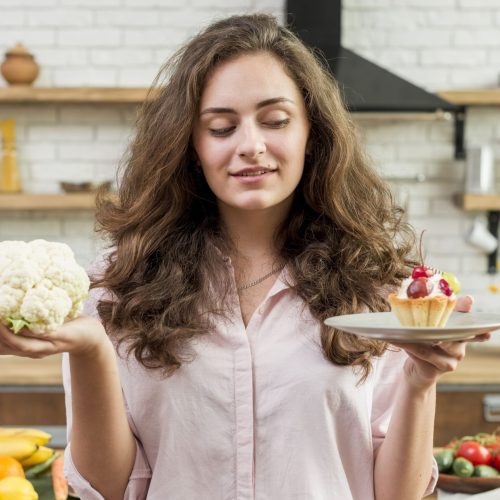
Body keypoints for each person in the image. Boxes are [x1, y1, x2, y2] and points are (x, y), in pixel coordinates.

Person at [0, 14, 490, 500]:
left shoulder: (378, 293)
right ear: (191, 146)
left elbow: (395, 495)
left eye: (275, 121)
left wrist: (420, 379)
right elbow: (106, 487)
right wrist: (90, 351)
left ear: (311, 134)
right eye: (221, 127)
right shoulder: (118, 287)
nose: (251, 146)